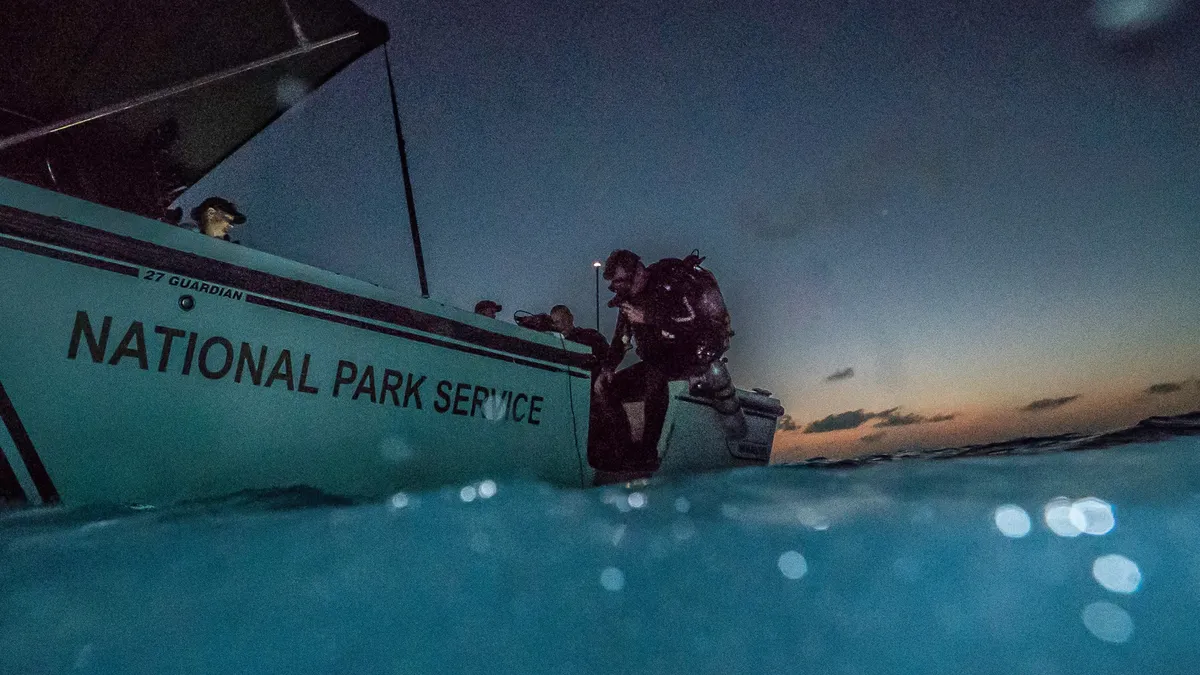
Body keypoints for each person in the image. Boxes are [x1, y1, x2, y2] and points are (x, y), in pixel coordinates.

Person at [591, 249, 745, 473]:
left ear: (639, 271)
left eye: (623, 282)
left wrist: (648, 317)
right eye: (616, 285)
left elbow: (696, 321)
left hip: (690, 356)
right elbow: (622, 337)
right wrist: (608, 368)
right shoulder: (629, 299)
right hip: (656, 361)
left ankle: (647, 455)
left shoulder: (670, 284)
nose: (622, 289)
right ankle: (625, 452)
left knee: (655, 377)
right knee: (609, 388)